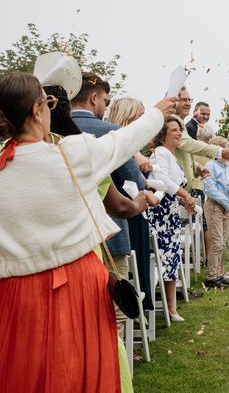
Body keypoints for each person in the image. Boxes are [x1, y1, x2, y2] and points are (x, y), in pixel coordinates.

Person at [0, 71, 174, 392]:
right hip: (79, 286)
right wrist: (159, 111)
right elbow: (125, 141)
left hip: (14, 294)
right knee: (81, 371)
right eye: (47, 103)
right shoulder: (73, 153)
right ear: (39, 111)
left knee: (24, 374)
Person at [71, 72, 149, 338]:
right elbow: (133, 181)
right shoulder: (110, 131)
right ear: (94, 98)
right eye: (104, 99)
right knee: (116, 309)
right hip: (111, 231)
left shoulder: (54, 133)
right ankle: (113, 369)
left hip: (73, 240)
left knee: (80, 311)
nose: (105, 105)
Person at [107, 96, 156, 311]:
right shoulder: (122, 144)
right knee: (130, 270)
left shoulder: (114, 141)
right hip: (128, 212)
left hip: (120, 211)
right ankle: (136, 308)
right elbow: (135, 181)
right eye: (139, 117)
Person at [147, 117, 197, 322]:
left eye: (180, 130)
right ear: (163, 134)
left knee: (172, 258)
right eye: (174, 130)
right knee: (163, 257)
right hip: (160, 215)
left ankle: (171, 307)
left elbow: (173, 187)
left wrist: (185, 202)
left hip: (171, 213)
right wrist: (185, 195)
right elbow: (164, 182)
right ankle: (163, 307)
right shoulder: (160, 153)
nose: (178, 133)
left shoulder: (171, 155)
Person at [202, 137, 229, 290]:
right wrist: (226, 203)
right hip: (215, 206)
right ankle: (211, 277)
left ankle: (219, 274)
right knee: (216, 242)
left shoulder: (226, 168)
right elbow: (210, 189)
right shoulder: (210, 166)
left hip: (225, 207)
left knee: (222, 242)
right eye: (226, 149)